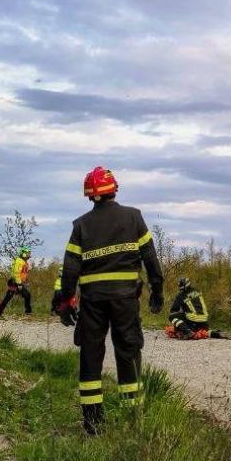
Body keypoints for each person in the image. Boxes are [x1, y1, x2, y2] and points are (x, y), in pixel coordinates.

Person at [55, 166, 164, 435]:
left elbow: (70, 268)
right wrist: (157, 290)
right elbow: (150, 257)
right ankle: (133, 419)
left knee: (91, 355)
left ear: (90, 195)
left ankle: (92, 423)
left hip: (92, 302)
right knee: (128, 352)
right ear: (114, 189)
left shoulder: (81, 226)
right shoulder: (134, 218)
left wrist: (67, 300)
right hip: (126, 300)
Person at [0, 246, 33, 317]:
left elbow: (23, 274)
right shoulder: (19, 261)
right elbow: (16, 273)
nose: (29, 254)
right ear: (23, 253)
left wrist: (25, 282)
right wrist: (19, 284)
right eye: (28, 253)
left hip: (18, 282)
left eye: (29, 253)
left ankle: (28, 312)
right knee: (9, 298)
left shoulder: (24, 262)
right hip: (14, 282)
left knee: (27, 295)